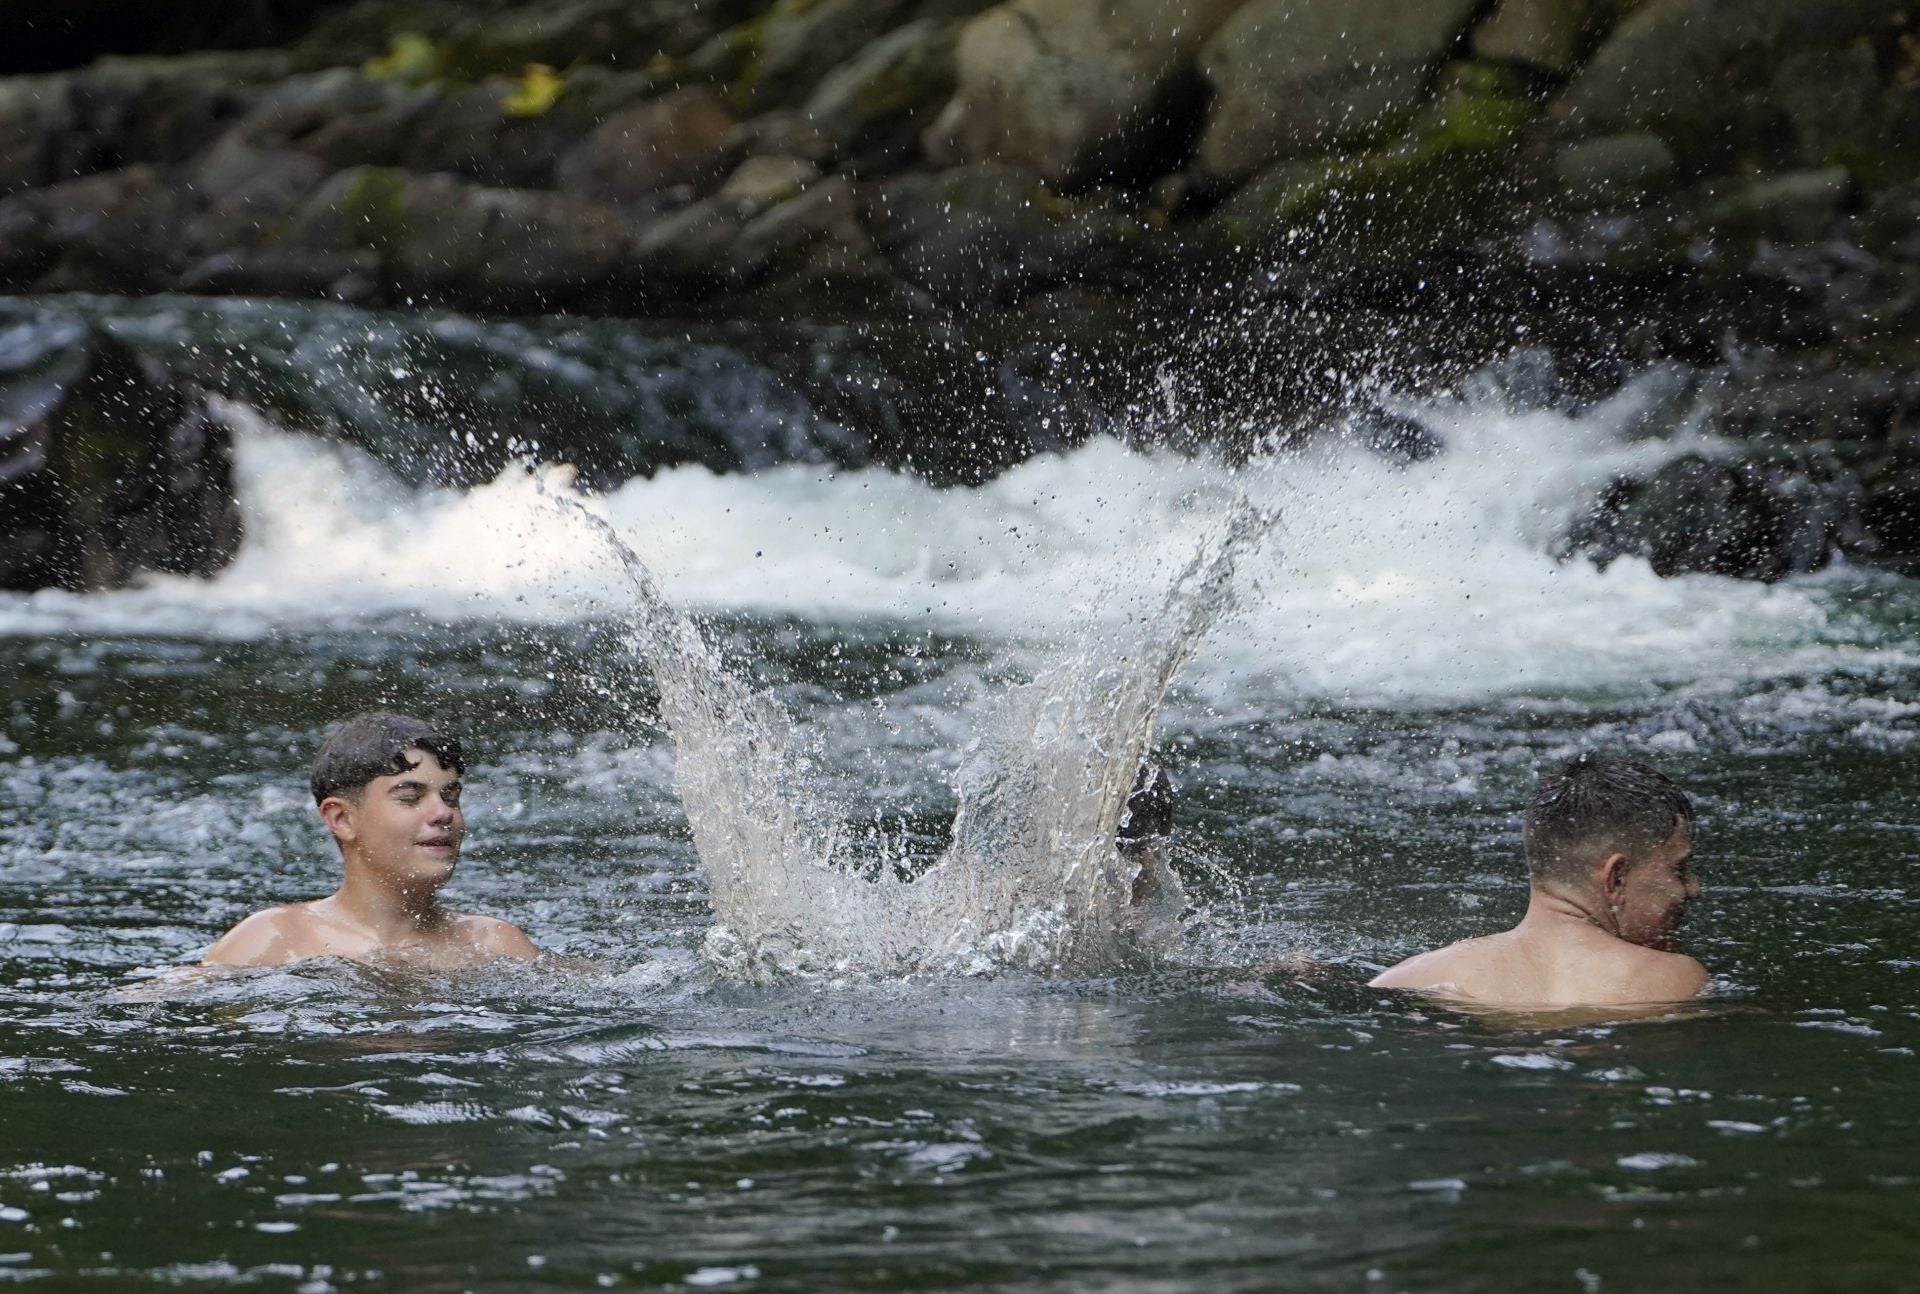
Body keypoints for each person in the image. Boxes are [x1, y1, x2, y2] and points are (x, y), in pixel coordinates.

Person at [202, 712, 539, 968]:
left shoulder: (493, 943)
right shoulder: (274, 939)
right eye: (410, 797)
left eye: (450, 797)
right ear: (342, 819)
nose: (443, 813)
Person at [1369, 753, 1706, 1008]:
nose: (1693, 888)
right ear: (1614, 878)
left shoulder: (1410, 979)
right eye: (1679, 869)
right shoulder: (1674, 980)